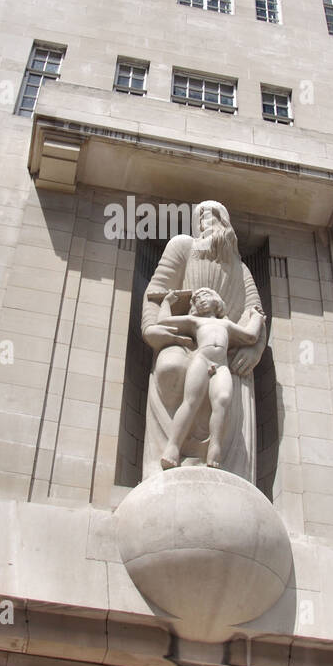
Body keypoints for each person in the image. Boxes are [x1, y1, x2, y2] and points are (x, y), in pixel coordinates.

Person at [140, 201, 267, 480]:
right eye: (199, 220)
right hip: (184, 341)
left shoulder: (241, 268)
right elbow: (157, 292)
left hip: (227, 356)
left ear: (225, 221)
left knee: (224, 395)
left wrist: (256, 350)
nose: (203, 224)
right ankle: (169, 454)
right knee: (171, 367)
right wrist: (150, 327)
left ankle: (218, 458)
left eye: (210, 217)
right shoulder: (183, 246)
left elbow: (255, 312)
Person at [157, 287, 265, 469]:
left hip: (221, 364)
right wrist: (167, 302)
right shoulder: (194, 321)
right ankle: (173, 447)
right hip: (201, 360)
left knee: (222, 400)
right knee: (191, 401)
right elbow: (163, 321)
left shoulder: (227, 325)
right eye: (197, 298)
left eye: (205, 295)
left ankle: (214, 448)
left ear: (217, 301)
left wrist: (256, 317)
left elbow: (250, 336)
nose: (200, 300)